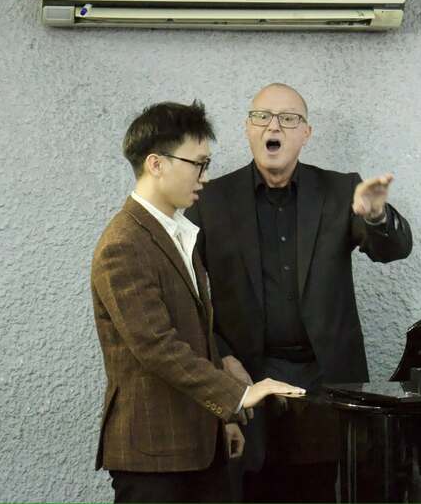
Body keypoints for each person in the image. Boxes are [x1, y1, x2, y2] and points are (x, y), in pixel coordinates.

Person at [185, 83, 413, 501]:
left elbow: (393, 250)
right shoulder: (210, 199)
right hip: (246, 377)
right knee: (250, 489)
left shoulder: (341, 190)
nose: (274, 127)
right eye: (262, 117)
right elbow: (186, 293)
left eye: (288, 119)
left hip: (325, 380)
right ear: (248, 128)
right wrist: (223, 356)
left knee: (321, 490)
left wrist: (376, 215)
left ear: (306, 133)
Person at [90, 101, 304, 503]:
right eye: (198, 164)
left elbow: (197, 340)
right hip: (154, 455)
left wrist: (224, 418)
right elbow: (156, 346)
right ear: (156, 164)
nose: (205, 177)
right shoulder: (124, 243)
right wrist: (237, 395)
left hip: (199, 444)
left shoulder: (178, 233)